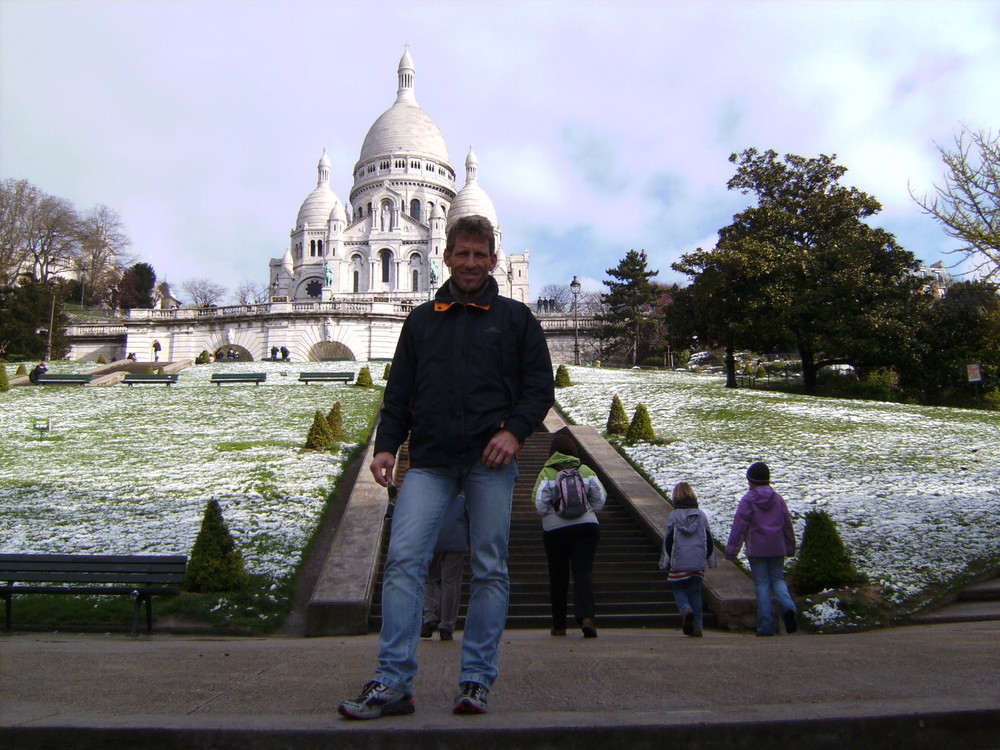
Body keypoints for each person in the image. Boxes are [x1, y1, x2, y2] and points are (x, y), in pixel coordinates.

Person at [338, 214, 554, 720]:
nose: (472, 263)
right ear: (446, 256)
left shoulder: (516, 319)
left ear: (493, 259)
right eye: (463, 254)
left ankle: (476, 680)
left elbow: (539, 388)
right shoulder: (421, 320)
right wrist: (387, 444)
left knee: (490, 567)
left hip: (489, 459)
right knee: (404, 561)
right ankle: (392, 681)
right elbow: (399, 392)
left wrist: (514, 431)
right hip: (431, 460)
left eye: (481, 255)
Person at [531, 432, 606, 638]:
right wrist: (585, 509)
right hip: (586, 527)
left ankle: (559, 624)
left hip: (555, 531)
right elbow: (600, 500)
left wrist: (555, 514)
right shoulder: (585, 470)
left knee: (558, 575)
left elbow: (539, 504)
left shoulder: (546, 473)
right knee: (584, 573)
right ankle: (587, 618)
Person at [725, 462, 798, 637]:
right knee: (778, 580)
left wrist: (732, 551)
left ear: (750, 480)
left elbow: (739, 526)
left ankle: (766, 625)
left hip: (757, 548)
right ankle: (788, 607)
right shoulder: (778, 499)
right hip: (777, 546)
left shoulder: (748, 500)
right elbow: (787, 524)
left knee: (762, 584)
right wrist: (790, 546)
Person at [660, 482, 716, 637]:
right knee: (695, 592)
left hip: (679, 560)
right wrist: (710, 561)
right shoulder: (701, 515)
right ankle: (698, 626)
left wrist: (665, 562)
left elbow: (668, 541)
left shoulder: (674, 516)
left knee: (678, 588)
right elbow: (709, 540)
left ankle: (685, 609)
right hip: (697, 562)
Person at [421, 493, 469, 642]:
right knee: (451, 583)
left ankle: (430, 617)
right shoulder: (463, 494)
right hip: (456, 539)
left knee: (430, 579)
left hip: (432, 538)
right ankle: (446, 626)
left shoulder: (432, 490)